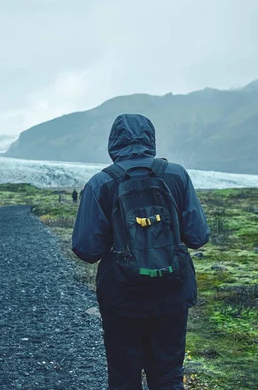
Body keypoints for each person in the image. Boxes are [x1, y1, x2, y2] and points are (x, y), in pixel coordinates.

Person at [72, 114, 210, 390]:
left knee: (124, 377)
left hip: (122, 297)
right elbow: (198, 236)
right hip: (172, 291)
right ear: (150, 138)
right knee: (169, 375)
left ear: (114, 142)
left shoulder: (101, 183)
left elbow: (87, 248)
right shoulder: (176, 175)